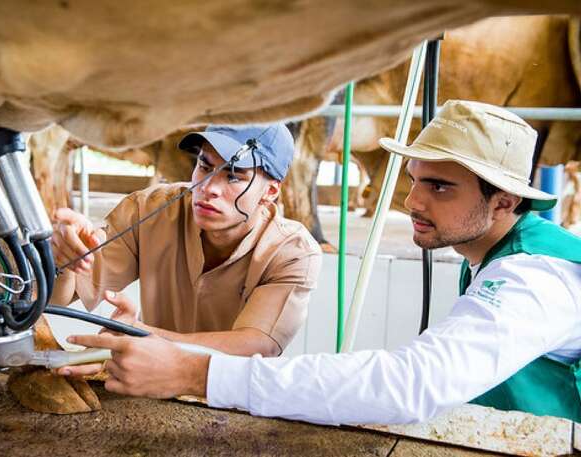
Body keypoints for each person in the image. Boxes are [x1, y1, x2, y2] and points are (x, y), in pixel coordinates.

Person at [69, 100, 581, 423]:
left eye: (440, 187)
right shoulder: (495, 255)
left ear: (505, 202)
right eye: (414, 180)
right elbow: (74, 290)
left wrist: (193, 373)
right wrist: (60, 256)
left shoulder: (532, 278)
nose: (412, 203)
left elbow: (411, 384)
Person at [51, 124, 322, 377]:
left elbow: (256, 345)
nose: (208, 188)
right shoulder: (150, 209)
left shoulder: (293, 252)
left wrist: (143, 338)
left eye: (233, 177)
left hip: (233, 396)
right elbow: (58, 299)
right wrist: (62, 261)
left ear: (270, 192)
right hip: (145, 385)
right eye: (205, 166)